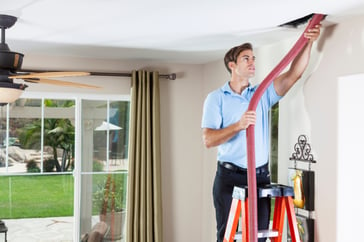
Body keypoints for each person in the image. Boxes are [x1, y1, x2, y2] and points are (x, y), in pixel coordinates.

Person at [201, 23, 321, 242]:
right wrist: (238, 126)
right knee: (226, 236)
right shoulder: (216, 98)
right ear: (232, 65)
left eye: (253, 58)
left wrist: (308, 42)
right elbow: (208, 139)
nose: (252, 62)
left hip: (260, 177)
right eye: (246, 58)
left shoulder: (261, 94)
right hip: (229, 177)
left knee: (259, 237)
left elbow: (293, 74)